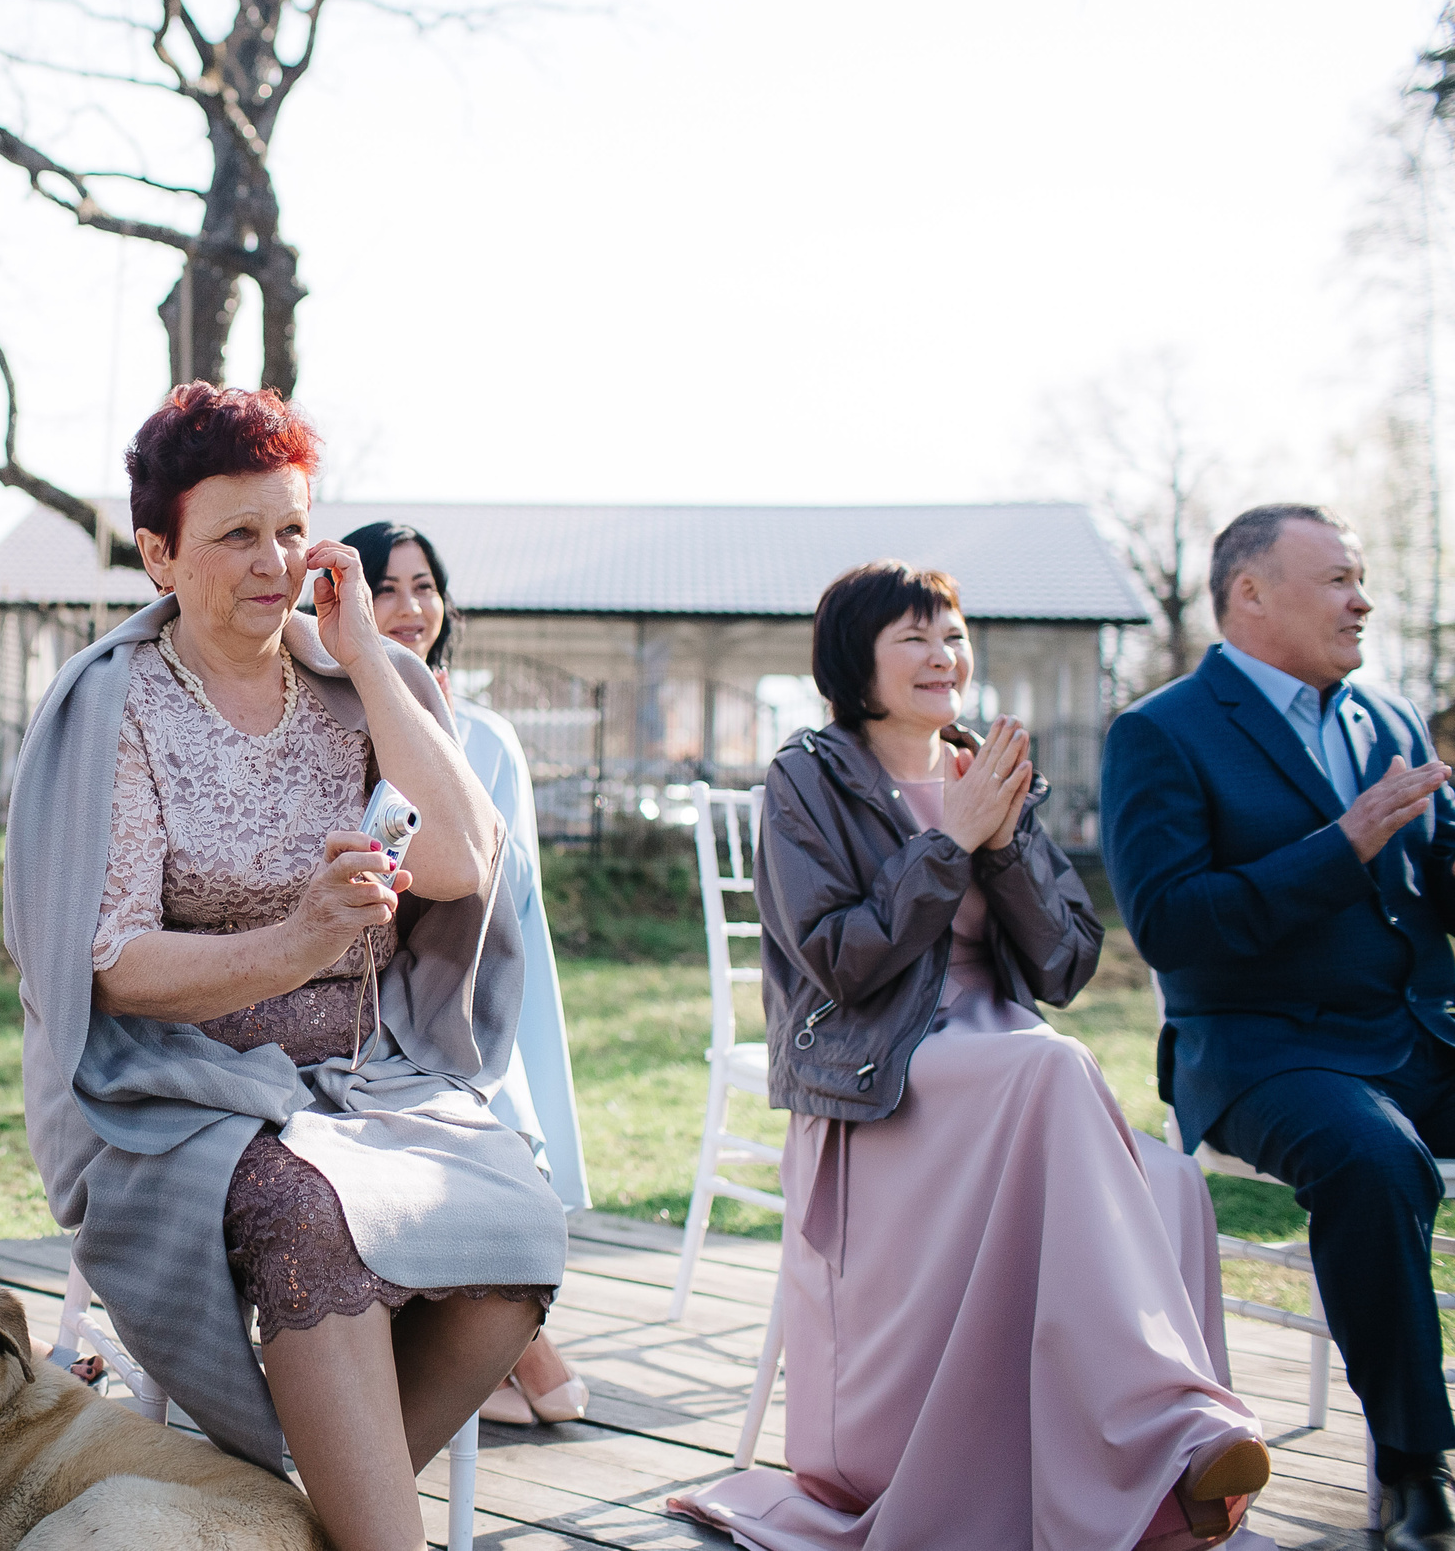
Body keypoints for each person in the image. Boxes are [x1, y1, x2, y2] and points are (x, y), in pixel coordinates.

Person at [9, 383, 566, 1551]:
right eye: (235, 535)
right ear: (158, 554)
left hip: (373, 1075)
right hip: (178, 1086)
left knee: (517, 1230)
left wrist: (366, 656)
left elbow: (462, 861)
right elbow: (111, 964)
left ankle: (291, 1525)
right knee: (310, 1216)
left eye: (290, 528)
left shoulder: (357, 681)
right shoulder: (119, 704)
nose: (272, 563)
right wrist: (298, 941)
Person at [673, 560, 1268, 1551]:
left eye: (952, 634)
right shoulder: (807, 778)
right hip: (879, 1073)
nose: (942, 654)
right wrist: (946, 843)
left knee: (1171, 1183)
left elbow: (1066, 962)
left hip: (1010, 1068)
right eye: (913, 636)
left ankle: (1151, 1492)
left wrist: (1000, 839)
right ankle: (1174, 1435)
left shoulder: (984, 768)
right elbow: (837, 962)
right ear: (854, 658)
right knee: (1054, 1065)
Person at [1105, 504, 1455, 1551]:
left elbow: (1432, 880)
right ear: (1251, 593)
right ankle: (1413, 1466)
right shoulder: (1160, 732)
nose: (1364, 601)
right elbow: (1171, 925)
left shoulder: (1390, 720)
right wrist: (1341, 843)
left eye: (1361, 578)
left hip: (1417, 1033)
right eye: (1340, 579)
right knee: (1372, 1159)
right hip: (1266, 1050)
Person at [341, 520, 590, 1428]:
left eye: (424, 586)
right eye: (386, 587)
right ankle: (515, 1351)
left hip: (472, 966)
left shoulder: (488, 733)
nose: (409, 607)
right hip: (367, 972)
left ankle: (499, 1343)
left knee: (492, 1095)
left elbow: (505, 880)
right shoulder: (331, 715)